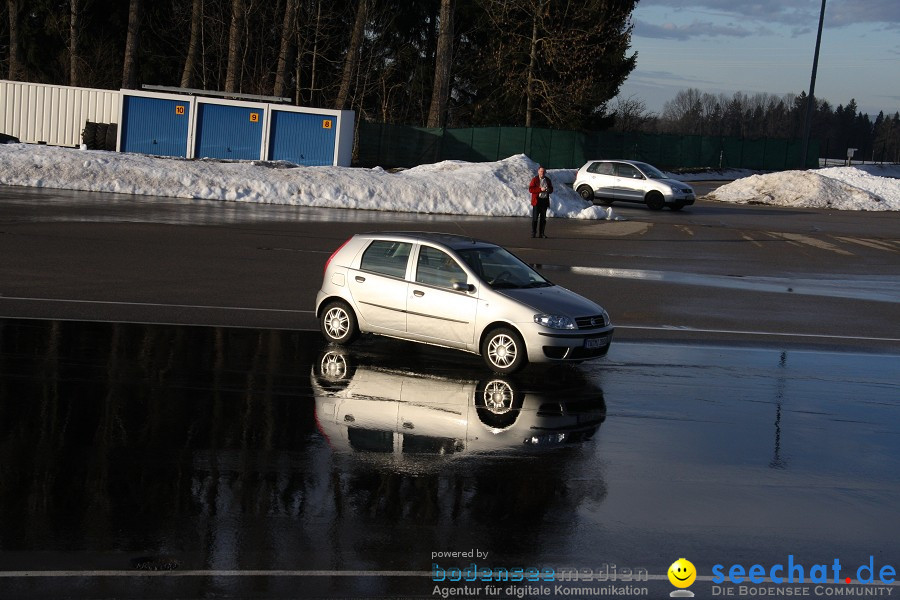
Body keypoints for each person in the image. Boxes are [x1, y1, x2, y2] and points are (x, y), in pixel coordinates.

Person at [528, 166, 553, 238]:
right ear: (538, 172)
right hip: (537, 201)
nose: (542, 173)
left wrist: (548, 190)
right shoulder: (535, 179)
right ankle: (533, 232)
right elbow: (531, 189)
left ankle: (541, 233)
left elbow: (551, 189)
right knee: (535, 218)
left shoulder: (547, 180)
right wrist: (540, 189)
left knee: (543, 218)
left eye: (544, 171)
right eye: (541, 171)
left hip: (544, 201)